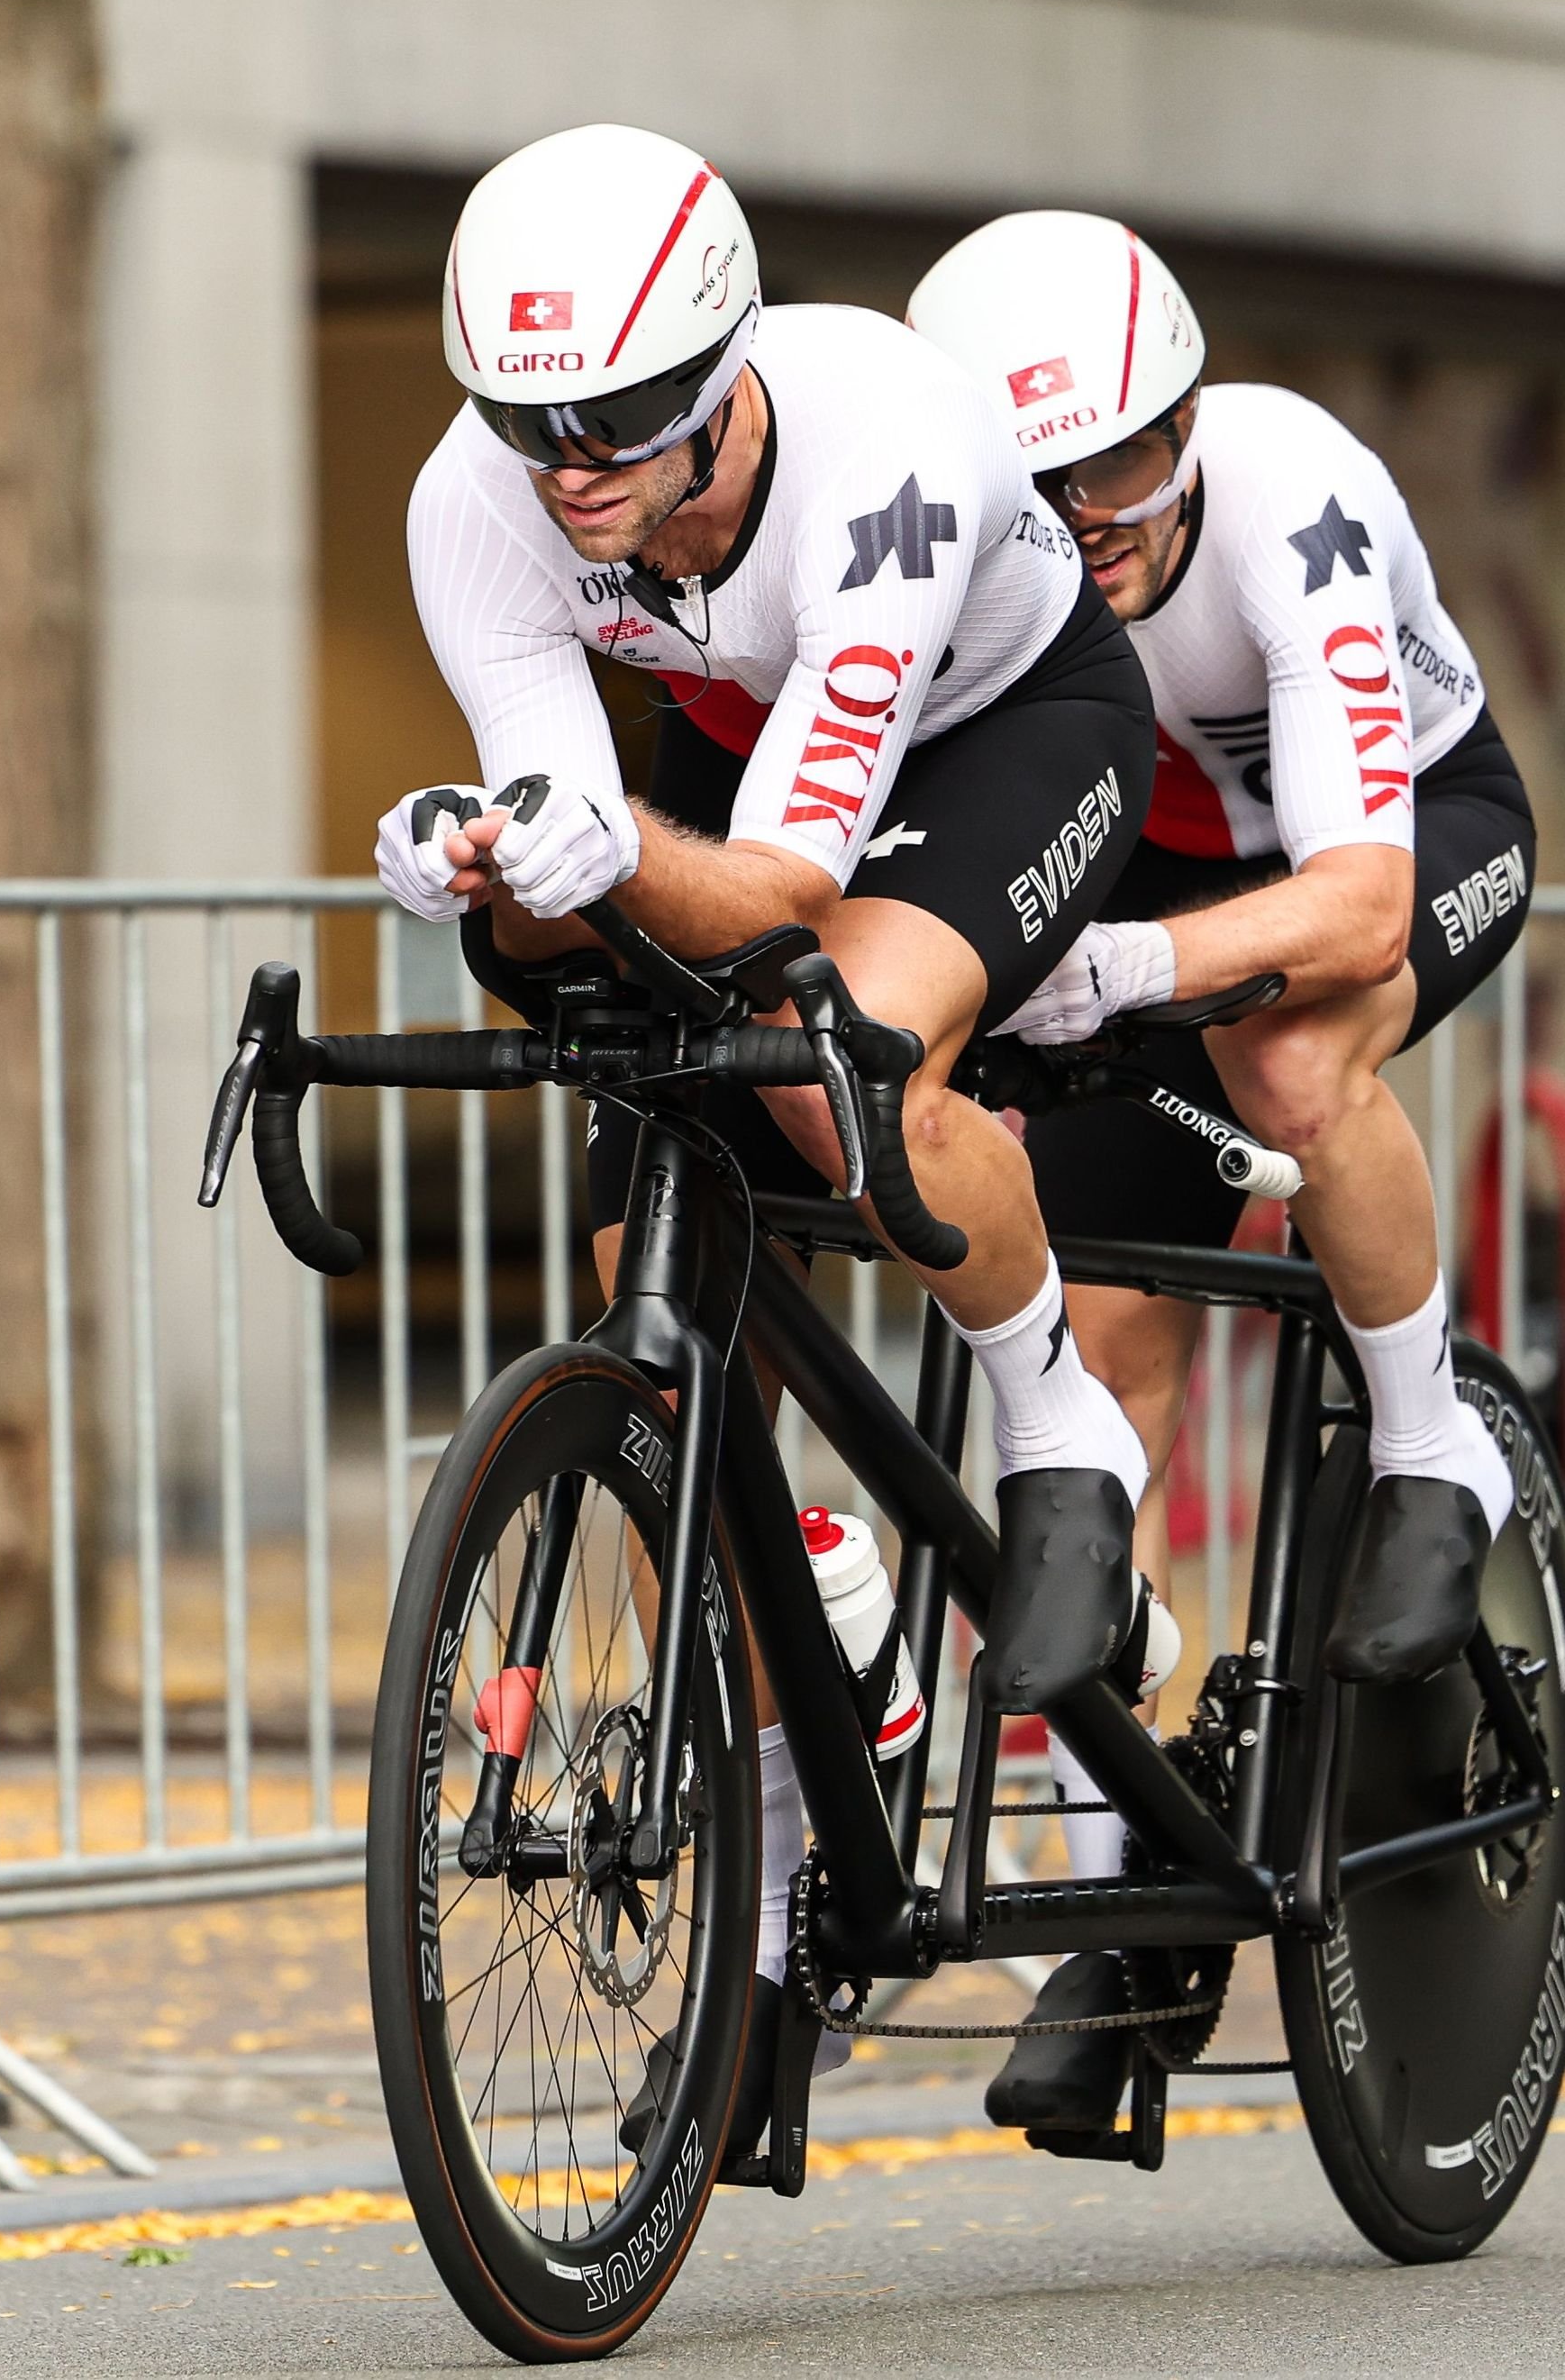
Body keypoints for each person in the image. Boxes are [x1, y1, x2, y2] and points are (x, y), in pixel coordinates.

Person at [372, 128, 1161, 2150]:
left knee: (846, 1065)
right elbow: (574, 828)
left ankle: (1058, 1420)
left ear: (723, 367)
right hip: (743, 736)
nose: (571, 465)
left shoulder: (876, 456)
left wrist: (602, 847)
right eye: (526, 416)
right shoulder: (476, 504)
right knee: (656, 1116)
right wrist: (481, 862)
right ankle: (801, 1792)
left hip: (1006, 724)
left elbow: (794, 888)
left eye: (623, 417)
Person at [908, 212, 1535, 2126]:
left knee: (1285, 1044)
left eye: (1117, 458)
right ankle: (1139, 1876)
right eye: (1039, 480)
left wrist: (1116, 972)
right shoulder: (959, 555)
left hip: (1412, 824)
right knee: (1100, 1338)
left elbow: (1347, 908)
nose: (1086, 511)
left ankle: (1428, 1441)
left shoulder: (1290, 499)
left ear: (1183, 419)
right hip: (1161, 867)